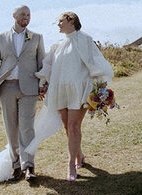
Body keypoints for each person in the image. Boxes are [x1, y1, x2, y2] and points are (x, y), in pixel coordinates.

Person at [36, 12, 114, 181]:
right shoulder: (57, 44)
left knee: (73, 126)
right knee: (67, 127)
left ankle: (71, 163)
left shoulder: (84, 39)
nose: (58, 24)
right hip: (60, 90)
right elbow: (48, 65)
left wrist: (99, 86)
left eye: (60, 21)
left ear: (71, 21)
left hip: (79, 90)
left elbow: (95, 61)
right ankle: (80, 155)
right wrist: (43, 83)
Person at [0, 5, 46, 181]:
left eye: (28, 15)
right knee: (11, 128)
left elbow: (42, 63)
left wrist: (43, 85)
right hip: (7, 88)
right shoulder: (0, 38)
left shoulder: (37, 37)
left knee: (27, 128)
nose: (26, 17)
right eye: (22, 14)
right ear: (14, 16)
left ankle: (29, 166)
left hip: (29, 89)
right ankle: (16, 165)